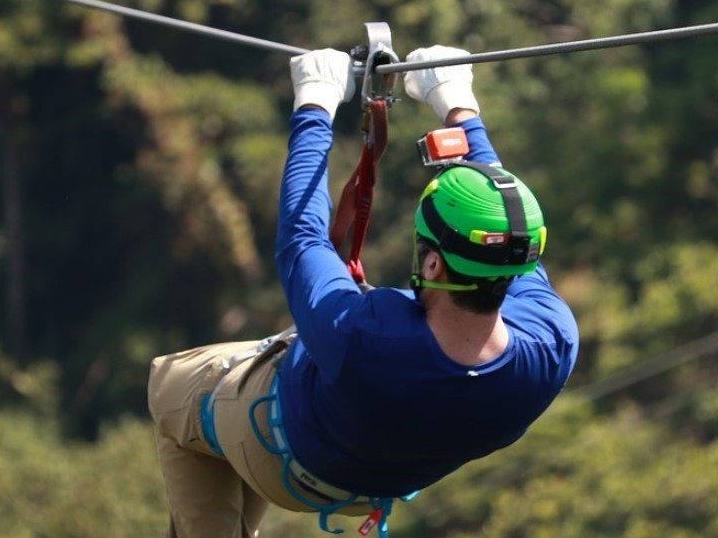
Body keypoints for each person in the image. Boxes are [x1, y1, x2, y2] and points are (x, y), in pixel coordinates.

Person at [147, 45, 579, 538]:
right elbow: (507, 228)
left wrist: (314, 104)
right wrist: (458, 107)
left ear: (432, 263)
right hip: (375, 486)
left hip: (284, 458)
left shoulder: (364, 335)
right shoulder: (552, 341)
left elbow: (302, 237)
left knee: (169, 385)